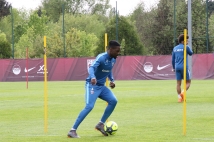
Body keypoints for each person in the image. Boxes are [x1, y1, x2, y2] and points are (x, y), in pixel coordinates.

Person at [67, 40, 121, 138]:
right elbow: (91, 68)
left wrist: (112, 80)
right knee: (89, 106)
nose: (118, 53)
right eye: (117, 51)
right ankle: (72, 130)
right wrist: (92, 77)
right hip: (92, 85)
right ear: (111, 49)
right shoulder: (101, 57)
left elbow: (109, 71)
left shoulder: (113, 60)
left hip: (101, 87)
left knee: (113, 100)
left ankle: (100, 124)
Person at [172, 34, 193, 103]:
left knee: (178, 83)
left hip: (177, 67)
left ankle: (179, 98)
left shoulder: (175, 48)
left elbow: (173, 59)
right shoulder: (186, 47)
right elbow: (191, 53)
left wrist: (173, 68)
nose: (187, 42)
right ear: (183, 41)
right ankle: (182, 93)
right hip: (184, 67)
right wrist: (187, 47)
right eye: (186, 40)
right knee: (188, 82)